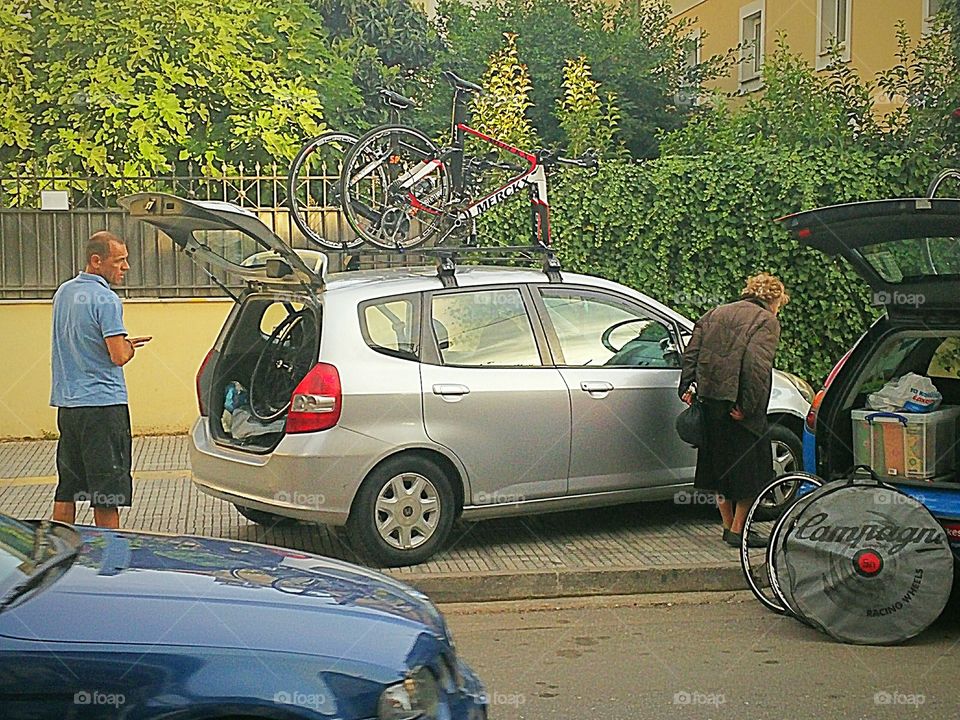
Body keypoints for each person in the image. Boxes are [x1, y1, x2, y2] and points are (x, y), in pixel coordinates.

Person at [678, 273, 789, 548]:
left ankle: (728, 526)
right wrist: (749, 409)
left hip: (709, 401)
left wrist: (686, 386)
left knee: (719, 467)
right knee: (754, 469)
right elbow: (756, 367)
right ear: (773, 299)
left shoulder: (715, 313)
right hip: (737, 405)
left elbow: (692, 351)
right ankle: (739, 530)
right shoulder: (766, 321)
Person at [50, 231, 151, 529]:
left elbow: (81, 341)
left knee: (67, 488)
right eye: (119, 261)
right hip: (103, 407)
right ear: (96, 261)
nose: (126, 267)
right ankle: (109, 561)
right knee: (107, 493)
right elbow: (117, 355)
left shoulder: (64, 293)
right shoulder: (106, 299)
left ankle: (57, 552)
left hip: (69, 407)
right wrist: (130, 346)